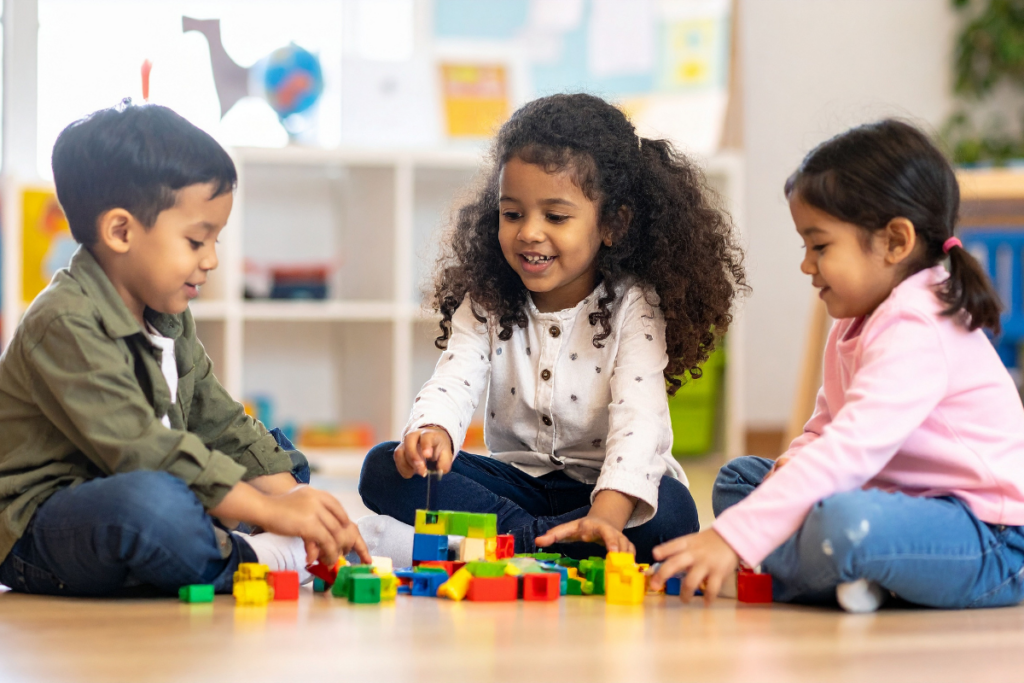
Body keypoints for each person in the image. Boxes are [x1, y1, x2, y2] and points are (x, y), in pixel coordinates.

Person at [651, 119, 1024, 612]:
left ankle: (774, 575)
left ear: (895, 241)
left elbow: (850, 449)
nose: (806, 264)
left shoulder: (920, 324)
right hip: (898, 507)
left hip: (990, 539)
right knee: (741, 479)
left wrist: (732, 538)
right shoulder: (856, 321)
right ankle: (856, 579)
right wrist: (793, 463)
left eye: (820, 246)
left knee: (844, 523)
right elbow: (826, 426)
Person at [0, 101, 368, 597]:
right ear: (121, 231)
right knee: (153, 507)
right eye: (197, 241)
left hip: (146, 483)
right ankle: (258, 556)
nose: (213, 259)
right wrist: (272, 512)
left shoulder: (166, 310)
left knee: (280, 460)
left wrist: (299, 499)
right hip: (43, 528)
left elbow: (217, 420)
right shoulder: (62, 321)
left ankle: (253, 538)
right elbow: (142, 453)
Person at [358, 93, 745, 564]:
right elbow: (454, 377)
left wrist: (606, 514)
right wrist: (433, 429)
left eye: (556, 217)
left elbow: (639, 421)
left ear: (613, 223)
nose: (529, 232)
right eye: (512, 213)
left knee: (672, 513)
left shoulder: (634, 306)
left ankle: (502, 546)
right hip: (515, 486)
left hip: (607, 489)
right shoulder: (488, 299)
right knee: (384, 466)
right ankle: (545, 544)